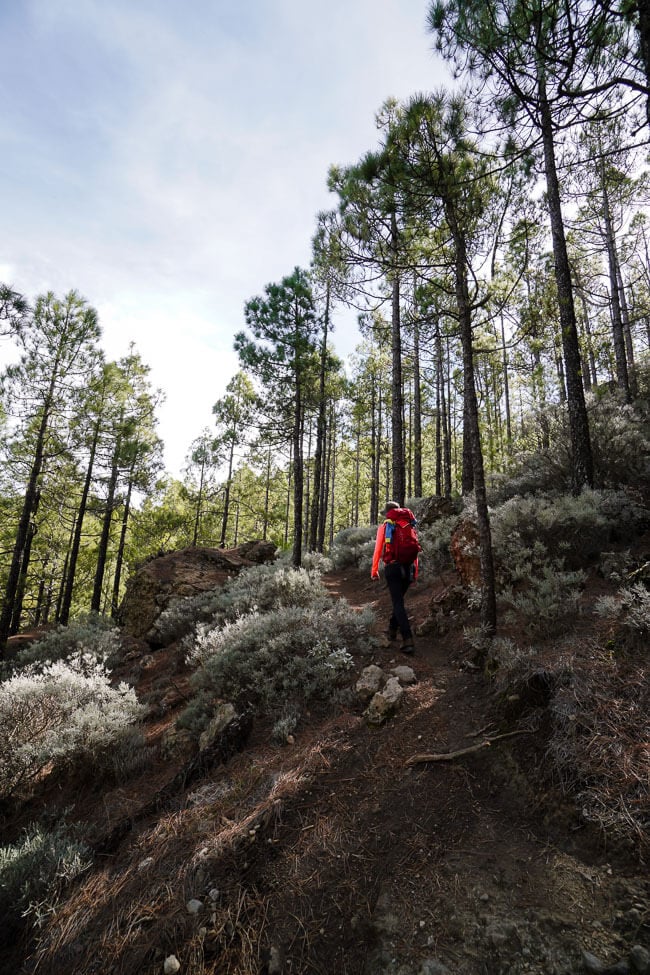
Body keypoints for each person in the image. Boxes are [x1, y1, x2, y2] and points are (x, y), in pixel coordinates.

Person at [371, 500, 419, 654]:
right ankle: (392, 629)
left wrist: (374, 570)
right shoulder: (409, 525)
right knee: (398, 601)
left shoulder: (386, 526)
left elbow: (378, 549)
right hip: (408, 567)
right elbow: (415, 549)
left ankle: (407, 639)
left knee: (398, 603)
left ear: (387, 513)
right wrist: (415, 571)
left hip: (393, 567)